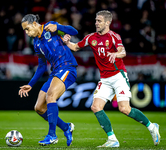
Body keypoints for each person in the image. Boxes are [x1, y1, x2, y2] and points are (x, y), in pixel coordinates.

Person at [63, 10, 160, 148]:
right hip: (104, 79)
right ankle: (112, 139)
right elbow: (76, 47)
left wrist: (116, 54)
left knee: (125, 109)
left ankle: (151, 126)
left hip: (118, 76)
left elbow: (123, 51)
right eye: (96, 20)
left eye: (99, 21)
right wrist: (68, 43)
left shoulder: (114, 36)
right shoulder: (91, 38)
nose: (96, 23)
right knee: (96, 107)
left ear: (108, 22)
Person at [18, 14, 78, 146]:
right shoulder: (36, 43)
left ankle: (52, 135)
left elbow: (74, 31)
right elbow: (41, 66)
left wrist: (58, 26)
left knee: (50, 96)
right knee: (39, 107)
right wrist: (30, 84)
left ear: (34, 24)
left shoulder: (50, 27)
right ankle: (66, 127)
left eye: (27, 29)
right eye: (25, 31)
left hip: (67, 67)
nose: (27, 33)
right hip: (55, 72)